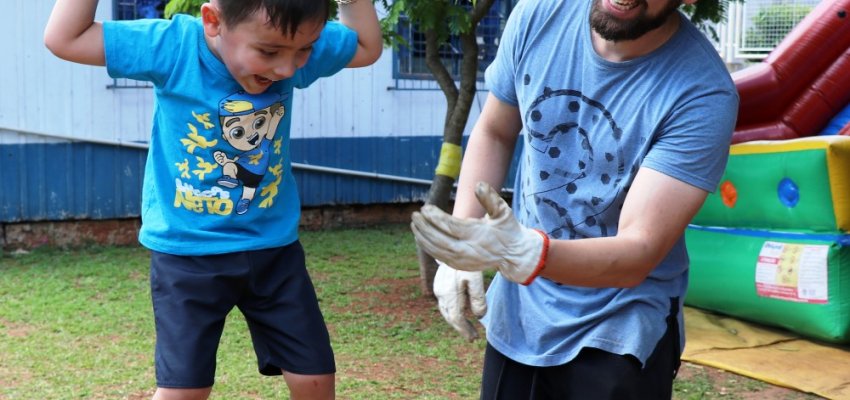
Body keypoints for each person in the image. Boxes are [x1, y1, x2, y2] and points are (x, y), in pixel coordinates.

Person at [43, 0, 381, 399]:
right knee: (185, 391)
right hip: (188, 256)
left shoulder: (288, 35)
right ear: (213, 21)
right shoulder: (173, 47)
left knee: (314, 379)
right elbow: (65, 39)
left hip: (274, 252)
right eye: (269, 52)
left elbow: (365, 47)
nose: (287, 69)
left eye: (305, 50)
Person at [410, 0, 739, 398]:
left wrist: (528, 253)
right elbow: (495, 131)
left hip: (619, 325)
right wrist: (464, 239)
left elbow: (638, 250)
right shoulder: (539, 14)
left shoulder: (702, 92)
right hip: (521, 313)